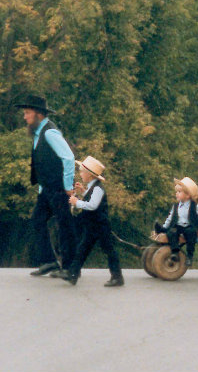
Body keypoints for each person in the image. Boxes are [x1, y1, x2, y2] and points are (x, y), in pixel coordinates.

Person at [15, 95, 78, 277]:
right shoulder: (38, 133)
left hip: (58, 189)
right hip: (47, 190)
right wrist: (42, 188)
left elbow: (68, 157)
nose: (25, 117)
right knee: (37, 220)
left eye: (27, 113)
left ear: (39, 115)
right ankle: (50, 262)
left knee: (64, 225)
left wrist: (67, 186)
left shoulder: (50, 132)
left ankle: (70, 268)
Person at [58, 156, 123, 287]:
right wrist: (83, 191)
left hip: (100, 226)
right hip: (93, 226)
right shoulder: (93, 187)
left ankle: (117, 277)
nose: (80, 174)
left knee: (108, 250)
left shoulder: (98, 188)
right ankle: (72, 275)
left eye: (82, 172)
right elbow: (91, 198)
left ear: (89, 175)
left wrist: (77, 203)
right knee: (82, 249)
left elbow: (93, 205)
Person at [158, 177, 198, 267]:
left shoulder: (194, 206)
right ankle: (175, 251)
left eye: (179, 192)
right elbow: (170, 218)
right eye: (176, 192)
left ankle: (189, 256)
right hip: (178, 226)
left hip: (190, 226)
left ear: (188, 195)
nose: (176, 194)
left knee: (190, 235)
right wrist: (165, 227)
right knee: (172, 232)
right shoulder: (176, 206)